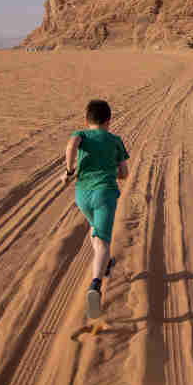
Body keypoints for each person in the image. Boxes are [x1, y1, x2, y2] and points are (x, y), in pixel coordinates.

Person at [62, 99, 129, 319]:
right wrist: (115, 172)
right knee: (102, 243)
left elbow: (72, 145)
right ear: (109, 120)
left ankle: (106, 263)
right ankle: (96, 285)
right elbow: (124, 173)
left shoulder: (81, 134)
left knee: (95, 229)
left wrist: (70, 171)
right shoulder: (115, 140)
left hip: (82, 195)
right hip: (104, 194)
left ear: (86, 119)